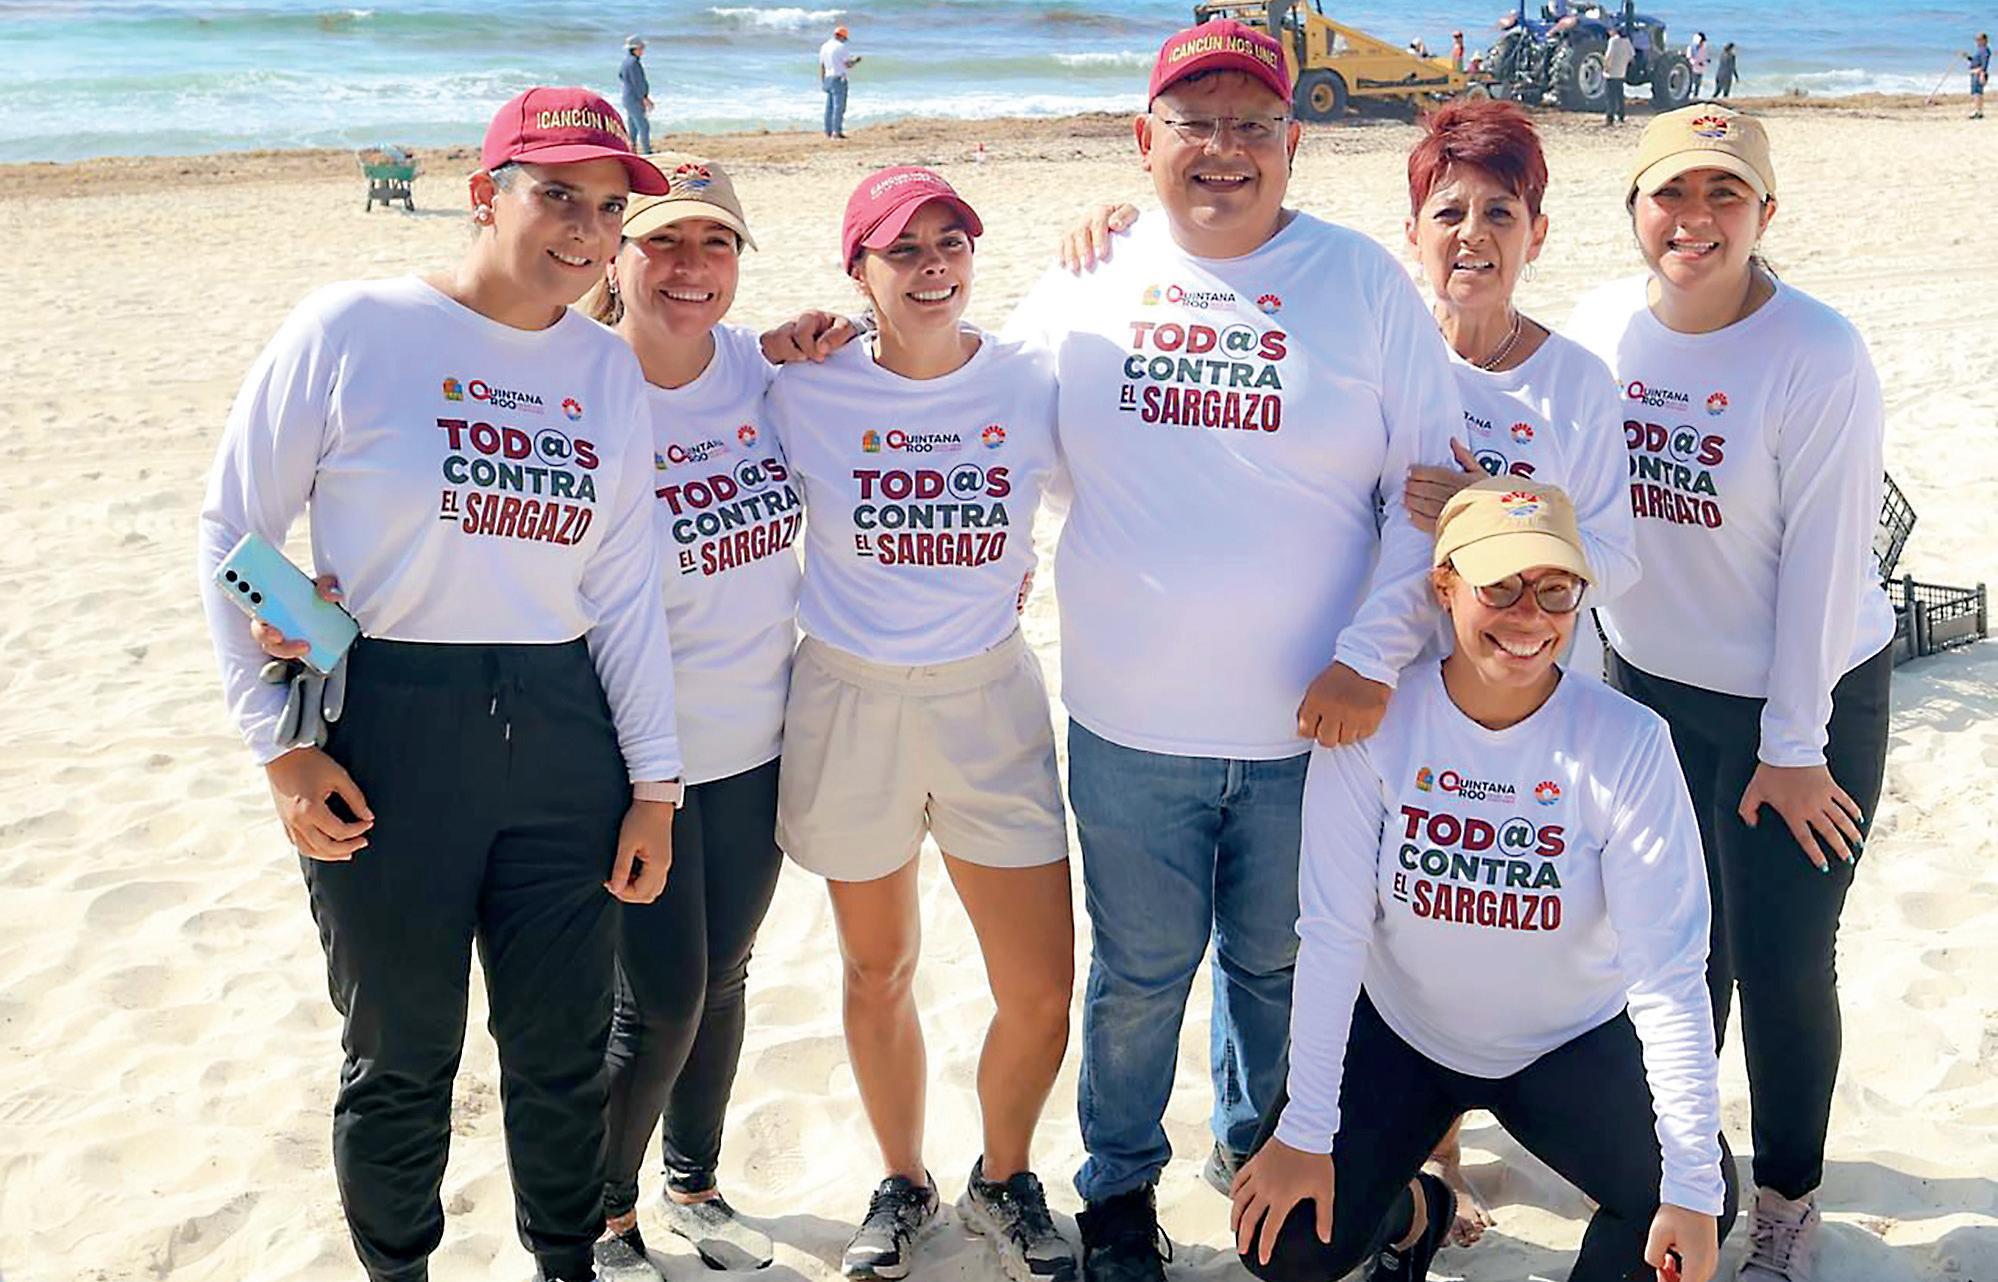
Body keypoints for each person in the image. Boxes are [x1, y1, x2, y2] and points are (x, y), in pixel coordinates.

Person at [196, 87, 680, 1282]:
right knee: (401, 1053)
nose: (586, 228)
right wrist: (281, 748)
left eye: (607, 207)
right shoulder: (354, 326)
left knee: (562, 1051)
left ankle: (564, 1261)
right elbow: (233, 529)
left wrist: (655, 789)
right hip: (387, 735)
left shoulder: (606, 370)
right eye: (557, 194)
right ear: (483, 195)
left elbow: (624, 591)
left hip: (566, 736)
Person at [1016, 21, 1462, 1282]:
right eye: (1195, 123)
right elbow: (985, 431)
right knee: (1139, 976)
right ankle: (1117, 1193)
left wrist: (1370, 655)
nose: (1225, 148)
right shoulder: (1086, 277)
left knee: (1281, 964)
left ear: (1293, 140)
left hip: (1311, 726)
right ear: (1144, 139)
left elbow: (1427, 492)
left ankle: (1266, 1157)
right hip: (1129, 721)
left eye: (1253, 124)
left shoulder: (1360, 279)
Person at [1227, 477, 1737, 1282]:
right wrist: (1305, 1130)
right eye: (1499, 585)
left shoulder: (1628, 742)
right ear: (1445, 585)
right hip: (1403, 1031)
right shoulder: (1378, 727)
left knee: (1690, 1202)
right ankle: (1414, 1214)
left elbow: (1668, 974)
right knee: (1284, 1238)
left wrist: (1693, 1186)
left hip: (1565, 1041)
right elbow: (1331, 933)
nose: (1529, 615)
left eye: (1556, 589)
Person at [1565, 104, 1895, 1282]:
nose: (1694, 219)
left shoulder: (1816, 352)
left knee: (1783, 964)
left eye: (1725, 195)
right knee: (1672, 953)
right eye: (1672, 192)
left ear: (1765, 213)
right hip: (1650, 689)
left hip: (1800, 701)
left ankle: (1790, 1203)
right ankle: (1683, 1175)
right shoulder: (1603, 327)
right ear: (1635, 208)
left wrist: (1795, 743)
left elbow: (1826, 561)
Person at [768, 165, 1077, 1282]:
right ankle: (903, 1180)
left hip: (988, 697)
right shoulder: (801, 386)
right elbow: (675, 388)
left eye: (951, 243)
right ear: (859, 272)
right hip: (850, 697)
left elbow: (1134, 480)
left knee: (1040, 989)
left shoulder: (1030, 381)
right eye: (903, 249)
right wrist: (773, 338)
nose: (933, 265)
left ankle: (1004, 1175)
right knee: (877, 967)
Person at [580, 156, 800, 1281]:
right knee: (657, 1003)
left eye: (716, 242)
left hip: (759, 739)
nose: (690, 265)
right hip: (631, 760)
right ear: (616, 255)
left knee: (724, 978)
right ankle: (599, 1211)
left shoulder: (758, 368)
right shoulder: (577, 382)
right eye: (662, 239)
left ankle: (694, 1180)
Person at [819, 25, 861, 140]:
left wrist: (823, 81)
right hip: (839, 78)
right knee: (839, 107)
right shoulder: (841, 47)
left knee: (829, 107)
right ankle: (836, 132)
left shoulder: (824, 46)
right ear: (842, 36)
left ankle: (828, 131)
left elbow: (822, 65)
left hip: (828, 78)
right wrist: (856, 61)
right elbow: (848, 64)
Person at [621, 37, 653, 154]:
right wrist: (644, 98)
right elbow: (638, 82)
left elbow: (621, 76)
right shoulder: (634, 63)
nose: (643, 50)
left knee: (633, 126)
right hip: (634, 98)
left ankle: (632, 149)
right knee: (643, 126)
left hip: (627, 97)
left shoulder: (626, 61)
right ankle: (647, 151)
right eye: (642, 47)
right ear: (635, 49)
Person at [1604, 26, 1634, 125]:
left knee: (1610, 97)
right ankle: (1621, 116)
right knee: (1620, 96)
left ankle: (1610, 117)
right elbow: (1631, 56)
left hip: (1611, 73)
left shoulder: (1613, 41)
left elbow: (1609, 56)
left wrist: (1606, 67)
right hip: (1621, 73)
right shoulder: (1627, 42)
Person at [1968, 33, 1990, 119]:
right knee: (1976, 92)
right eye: (1976, 40)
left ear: (1984, 40)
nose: (1977, 42)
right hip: (1976, 72)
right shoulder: (1980, 50)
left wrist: (1982, 73)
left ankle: (1978, 111)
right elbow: (1975, 61)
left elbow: (1984, 63)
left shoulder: (1984, 50)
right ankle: (1978, 111)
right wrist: (1967, 57)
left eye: (1979, 40)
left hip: (1978, 73)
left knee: (1976, 92)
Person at [1687, 32, 1710, 98]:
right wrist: (1696, 62)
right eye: (1702, 41)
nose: (1703, 43)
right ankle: (1689, 96)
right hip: (1693, 69)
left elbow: (1704, 57)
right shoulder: (1691, 47)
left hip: (1700, 69)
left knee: (1698, 84)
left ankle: (1695, 96)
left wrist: (1706, 61)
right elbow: (1689, 58)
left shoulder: (1703, 48)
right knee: (1691, 83)